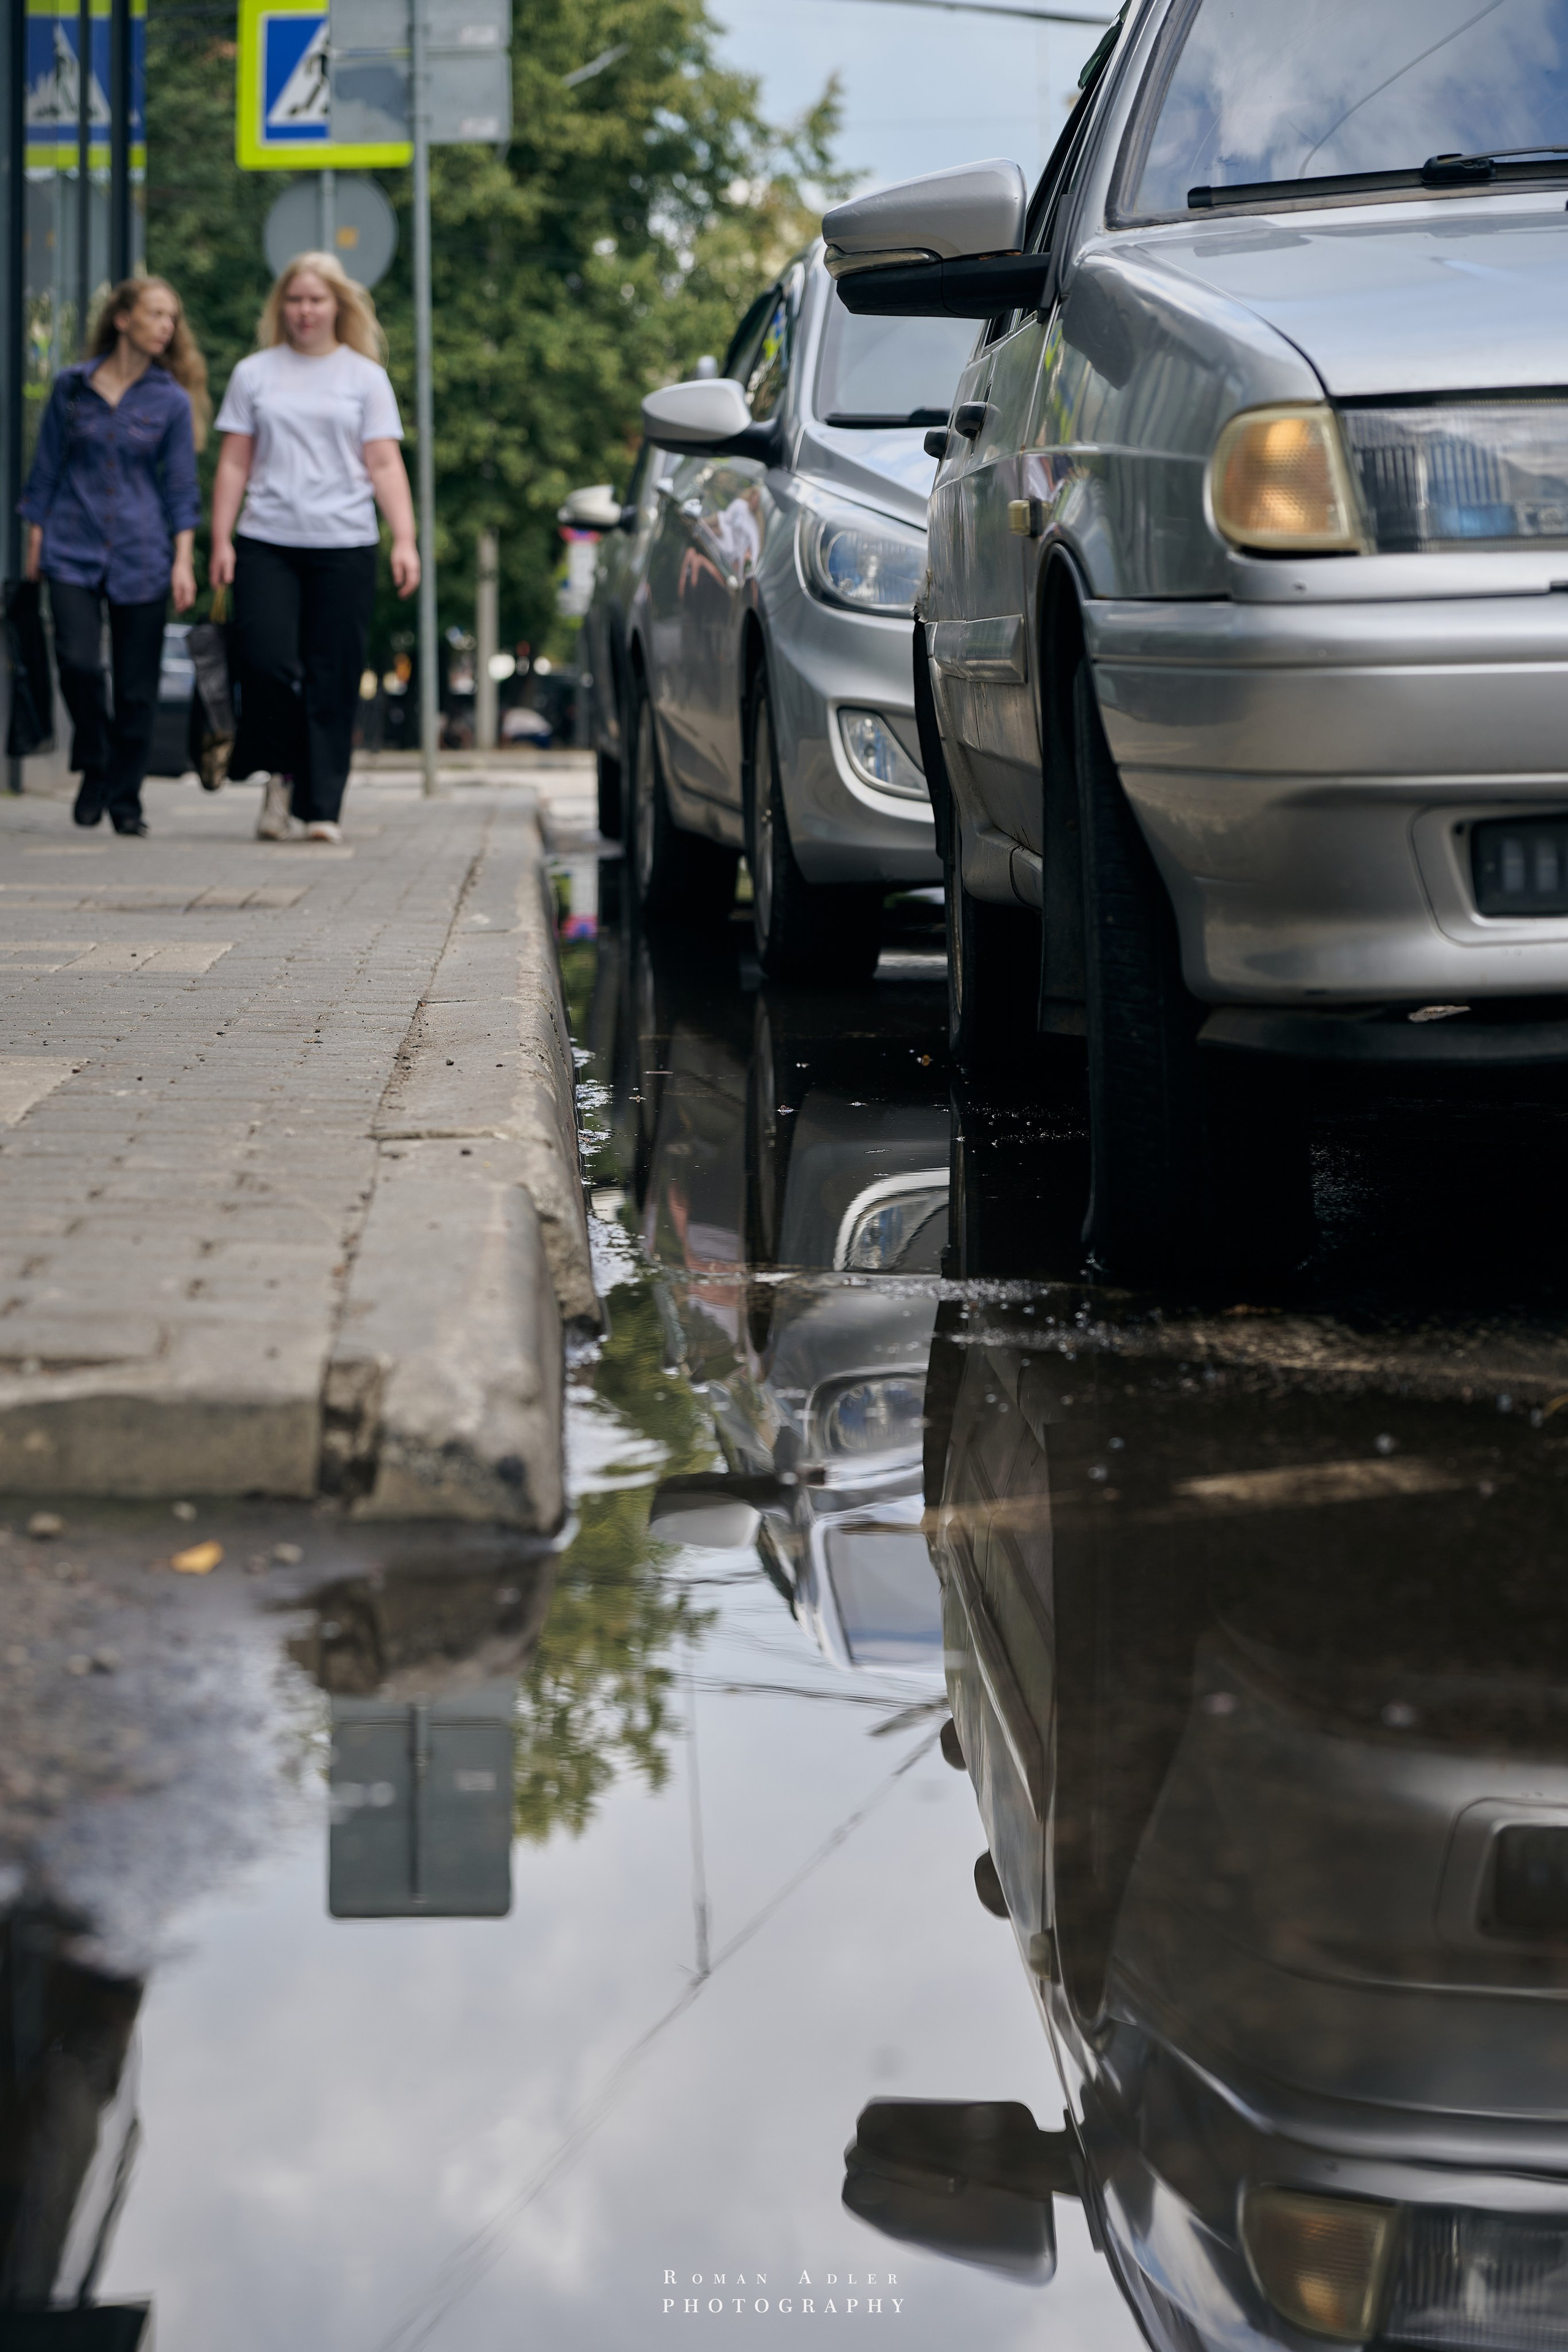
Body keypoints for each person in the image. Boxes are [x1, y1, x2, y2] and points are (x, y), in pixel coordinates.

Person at [209, 251, 418, 845]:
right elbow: (233, 462)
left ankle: (319, 806)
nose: (304, 311)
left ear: (338, 307)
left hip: (344, 542)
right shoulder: (255, 373)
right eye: (295, 300)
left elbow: (383, 463)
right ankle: (279, 775)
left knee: (334, 674)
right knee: (268, 664)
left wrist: (404, 538)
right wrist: (220, 540)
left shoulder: (363, 377)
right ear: (282, 308)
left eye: (316, 300)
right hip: (266, 539)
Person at [19, 276, 205, 836]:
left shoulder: (169, 399)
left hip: (142, 551)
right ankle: (95, 758)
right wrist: (35, 541)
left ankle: (125, 798)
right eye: (155, 314)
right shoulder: (72, 388)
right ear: (123, 318)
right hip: (70, 547)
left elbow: (179, 486)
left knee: (136, 687)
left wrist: (183, 559)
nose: (166, 325)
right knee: (76, 663)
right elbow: (46, 468)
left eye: (172, 317)